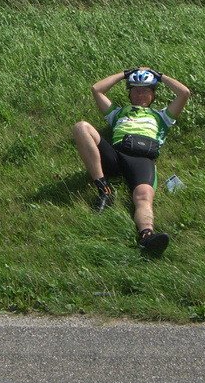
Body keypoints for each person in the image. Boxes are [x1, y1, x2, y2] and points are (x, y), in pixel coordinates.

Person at [73, 68, 191, 252]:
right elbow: (97, 89)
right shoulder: (118, 113)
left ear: (153, 94)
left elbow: (184, 93)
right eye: (135, 89)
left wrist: (159, 76)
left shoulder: (162, 117)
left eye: (145, 89)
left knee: (143, 195)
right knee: (81, 127)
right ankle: (104, 190)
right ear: (129, 93)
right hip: (116, 154)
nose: (140, 93)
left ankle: (146, 236)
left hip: (143, 160)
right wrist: (125, 74)